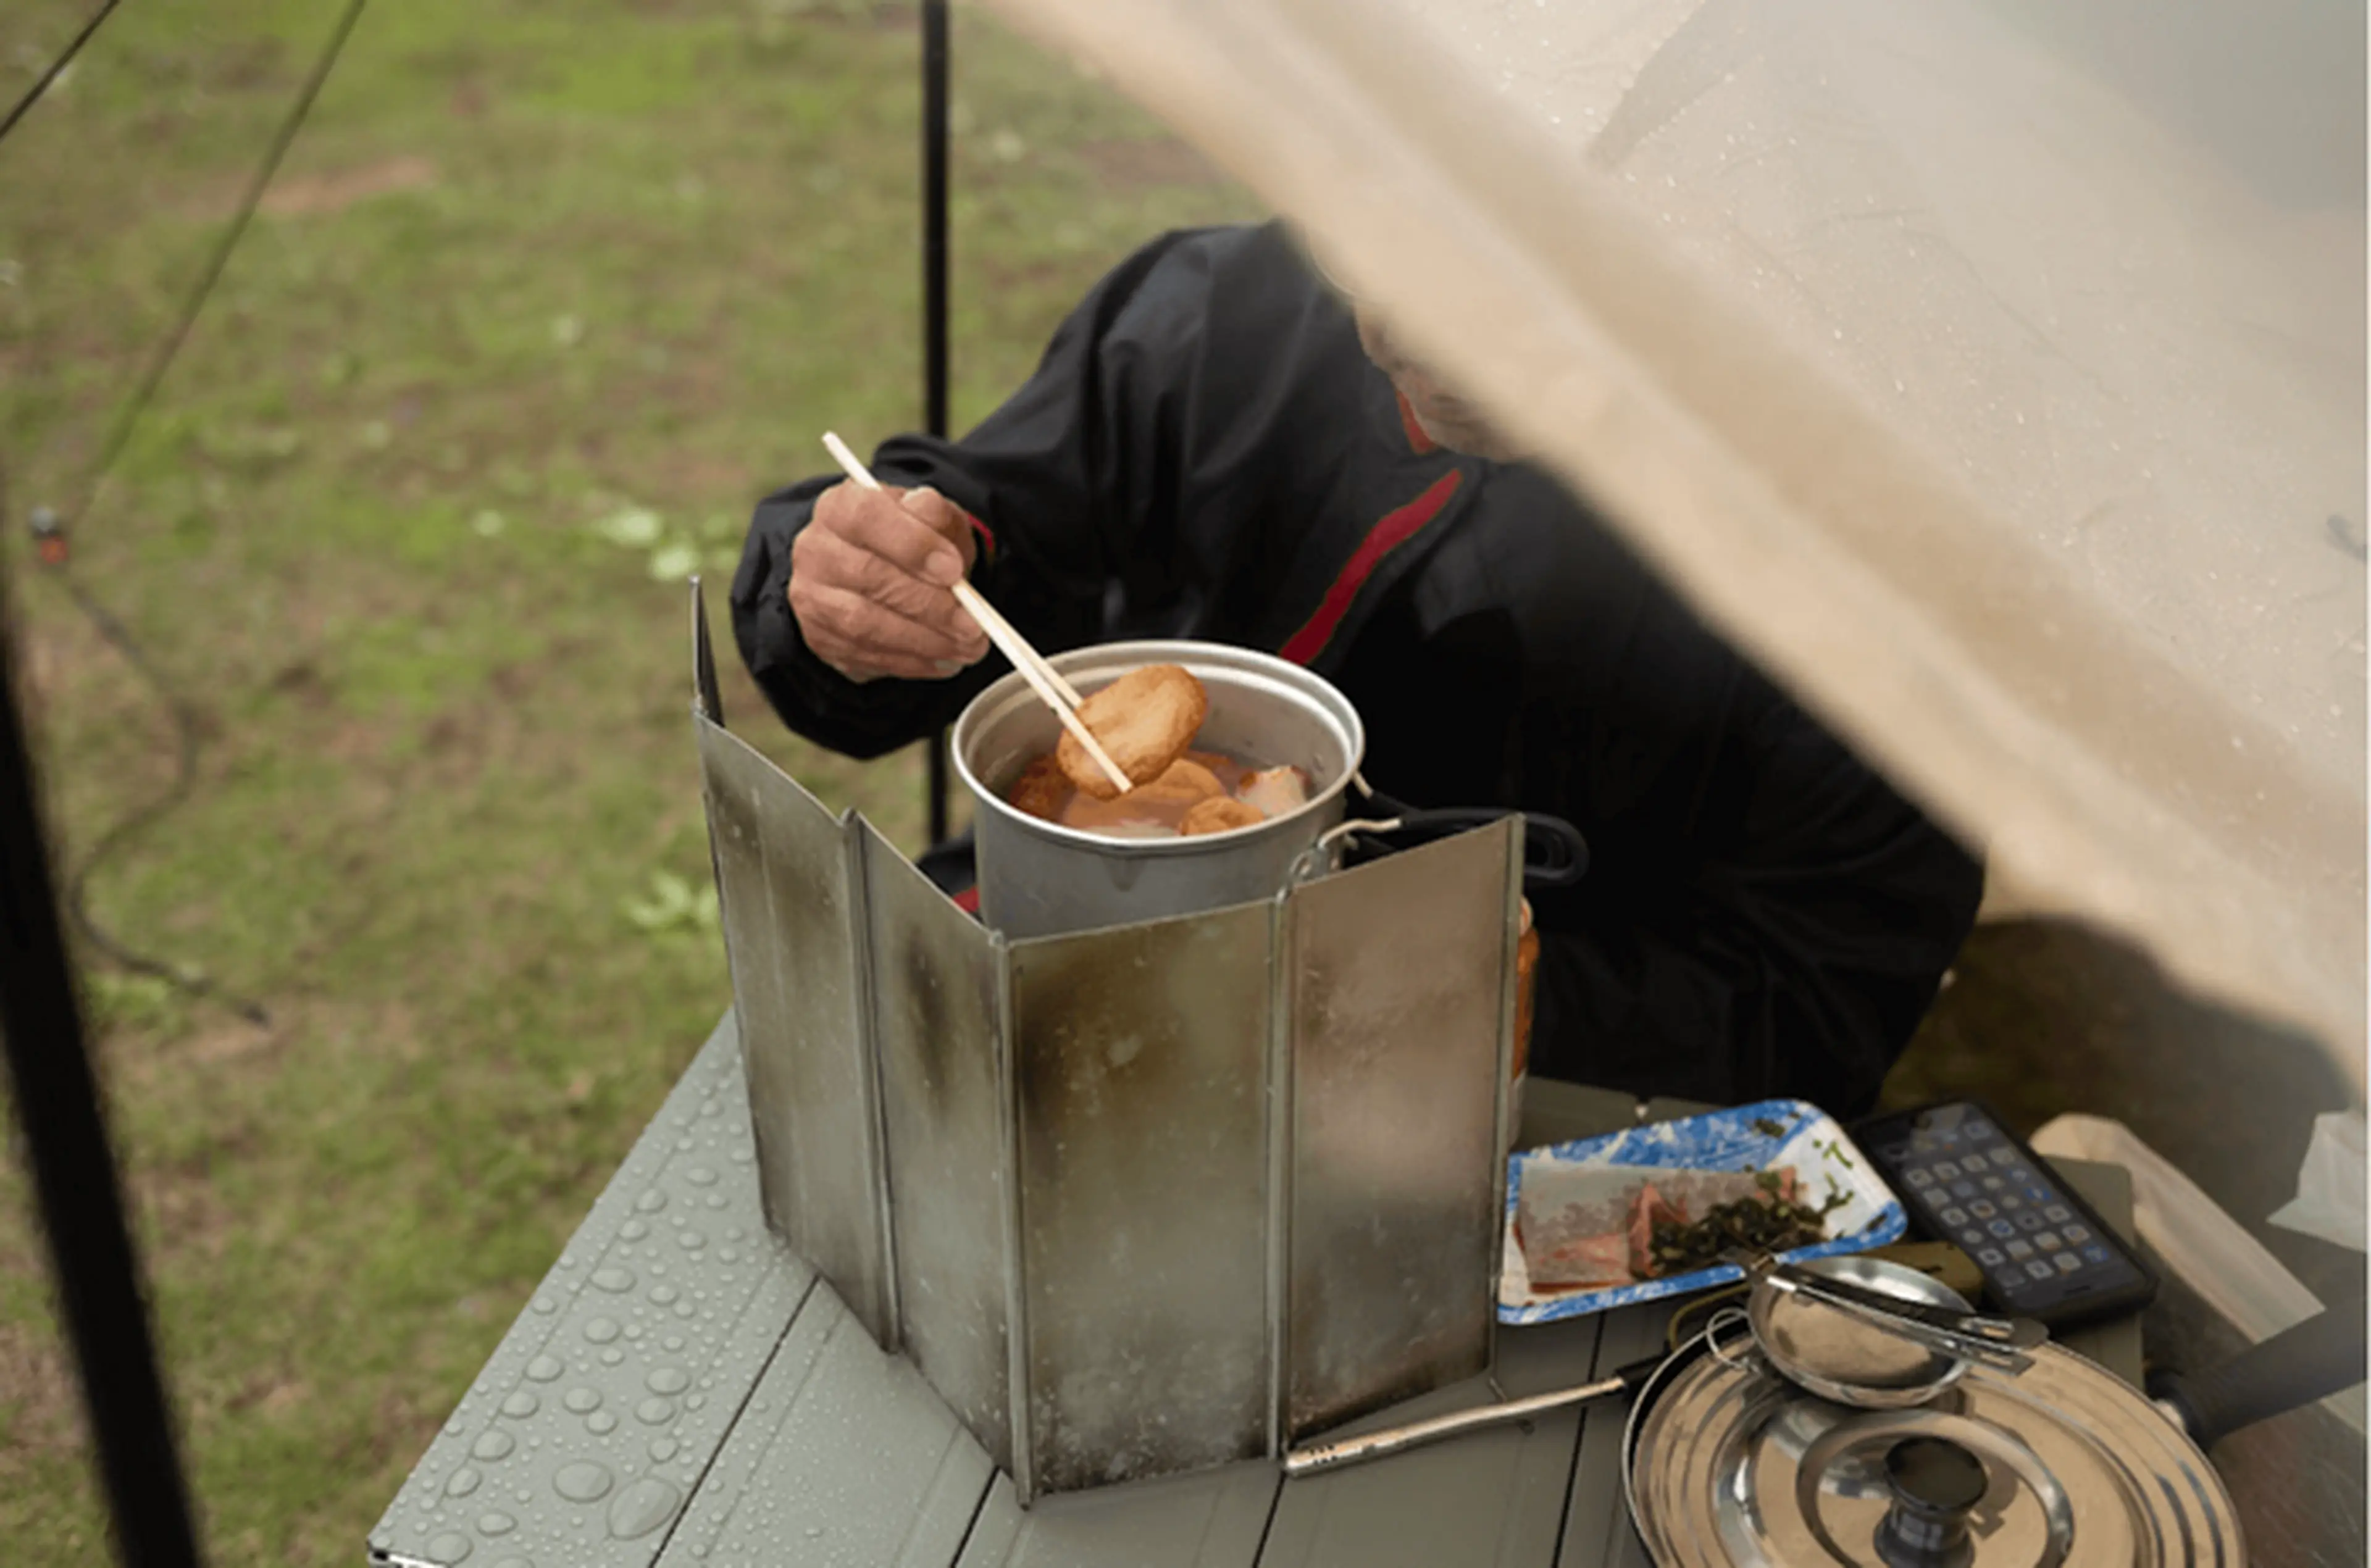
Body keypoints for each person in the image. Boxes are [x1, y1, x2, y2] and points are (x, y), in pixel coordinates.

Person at [731, 220, 1983, 1113]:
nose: (1389, 321)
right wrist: (850, 584)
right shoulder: (1230, 314)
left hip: (1483, 1120)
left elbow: (1814, 1002)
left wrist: (1429, 974)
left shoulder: (1868, 562)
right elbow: (975, 529)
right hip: (1057, 962)